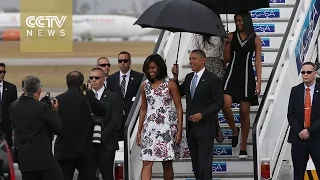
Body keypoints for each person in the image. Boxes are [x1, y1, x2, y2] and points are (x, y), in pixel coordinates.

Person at [172, 50, 224, 180]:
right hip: (191, 129)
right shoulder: (189, 77)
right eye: (190, 59)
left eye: (194, 59)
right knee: (195, 164)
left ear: (203, 60)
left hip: (206, 127)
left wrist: (203, 114)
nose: (191, 62)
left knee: (205, 164)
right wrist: (175, 77)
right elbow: (179, 92)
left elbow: (219, 103)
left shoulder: (213, 79)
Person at [136, 54, 183, 180]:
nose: (150, 71)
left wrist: (179, 130)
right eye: (148, 68)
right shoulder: (144, 85)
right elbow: (143, 109)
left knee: (167, 162)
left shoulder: (170, 84)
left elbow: (179, 107)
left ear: (160, 67)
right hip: (150, 127)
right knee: (146, 161)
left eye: (153, 68)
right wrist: (139, 131)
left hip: (167, 126)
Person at [222, 10, 262, 158]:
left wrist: (259, 81)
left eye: (240, 21)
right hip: (231, 74)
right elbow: (226, 59)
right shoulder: (231, 36)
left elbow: (258, 61)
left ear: (246, 21)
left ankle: (243, 146)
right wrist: (226, 44)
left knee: (244, 112)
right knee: (225, 104)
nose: (238, 24)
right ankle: (234, 130)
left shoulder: (256, 39)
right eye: (236, 21)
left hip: (247, 76)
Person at [54, 71, 106, 180]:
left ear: (67, 83)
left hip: (64, 150)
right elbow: (102, 111)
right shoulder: (87, 98)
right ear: (82, 83)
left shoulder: (59, 99)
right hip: (85, 150)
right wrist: (89, 93)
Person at [9, 76, 63, 180]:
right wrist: (55, 112)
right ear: (39, 89)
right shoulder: (43, 108)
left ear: (24, 89)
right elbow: (58, 129)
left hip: (24, 160)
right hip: (43, 160)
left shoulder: (13, 106)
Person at [287, 62, 320, 180]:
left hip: (317, 138)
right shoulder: (295, 91)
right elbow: (290, 115)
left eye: (308, 72)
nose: (305, 75)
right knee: (298, 175)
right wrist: (300, 131)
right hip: (298, 139)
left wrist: (309, 131)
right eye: (303, 72)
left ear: (315, 74)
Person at [89, 67, 122, 180]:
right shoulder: (86, 97)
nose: (93, 80)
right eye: (91, 78)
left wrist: (102, 135)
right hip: (89, 144)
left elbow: (116, 120)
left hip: (107, 144)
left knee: (107, 174)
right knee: (90, 175)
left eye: (96, 78)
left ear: (103, 79)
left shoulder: (114, 97)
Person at [192, 33, 225, 143]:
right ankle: (216, 126)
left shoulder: (218, 31)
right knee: (208, 100)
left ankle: (216, 127)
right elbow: (195, 53)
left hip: (218, 67)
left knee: (216, 100)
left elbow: (222, 54)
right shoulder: (196, 34)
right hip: (203, 67)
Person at [107, 51, 144, 140]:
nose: (123, 63)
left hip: (133, 117)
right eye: (120, 61)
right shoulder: (111, 78)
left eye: (125, 60)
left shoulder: (139, 77)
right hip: (117, 119)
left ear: (130, 62)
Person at [0, 63, 18, 149]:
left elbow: (14, 109)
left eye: (4, 72)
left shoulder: (11, 88)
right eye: (0, 72)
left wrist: (14, 127)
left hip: (6, 128)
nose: (2, 74)